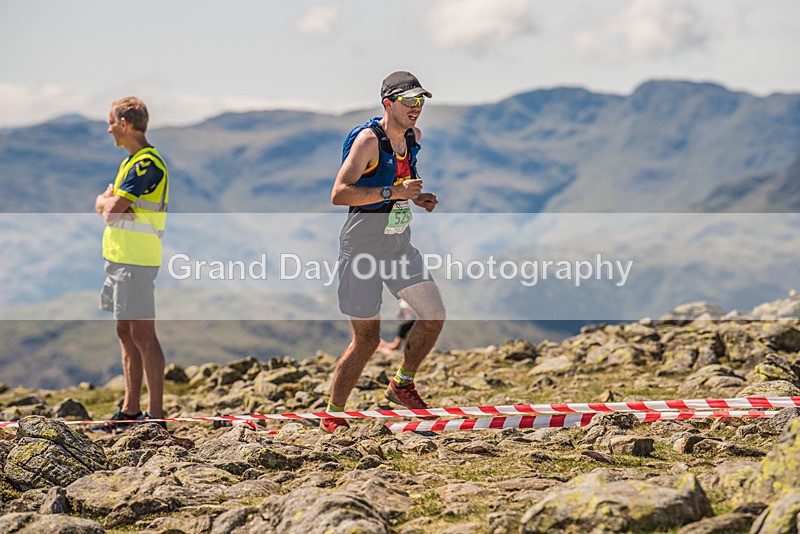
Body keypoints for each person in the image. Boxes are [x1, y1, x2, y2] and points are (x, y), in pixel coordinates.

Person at [324, 71, 446, 433]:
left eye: (420, 101)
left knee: (434, 314)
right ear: (388, 104)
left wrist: (418, 198)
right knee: (367, 341)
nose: (416, 107)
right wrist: (395, 194)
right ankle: (332, 416)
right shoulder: (367, 141)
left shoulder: (412, 137)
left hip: (397, 245)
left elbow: (399, 184)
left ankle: (402, 384)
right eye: (409, 101)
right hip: (362, 249)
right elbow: (339, 193)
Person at [94, 97, 169, 432]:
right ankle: (130, 411)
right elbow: (112, 208)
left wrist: (104, 201)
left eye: (111, 122)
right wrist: (108, 203)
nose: (108, 129)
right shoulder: (131, 162)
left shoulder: (145, 165)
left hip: (136, 261)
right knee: (125, 332)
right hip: (121, 259)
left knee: (143, 335)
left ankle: (155, 416)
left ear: (124, 124)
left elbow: (110, 211)